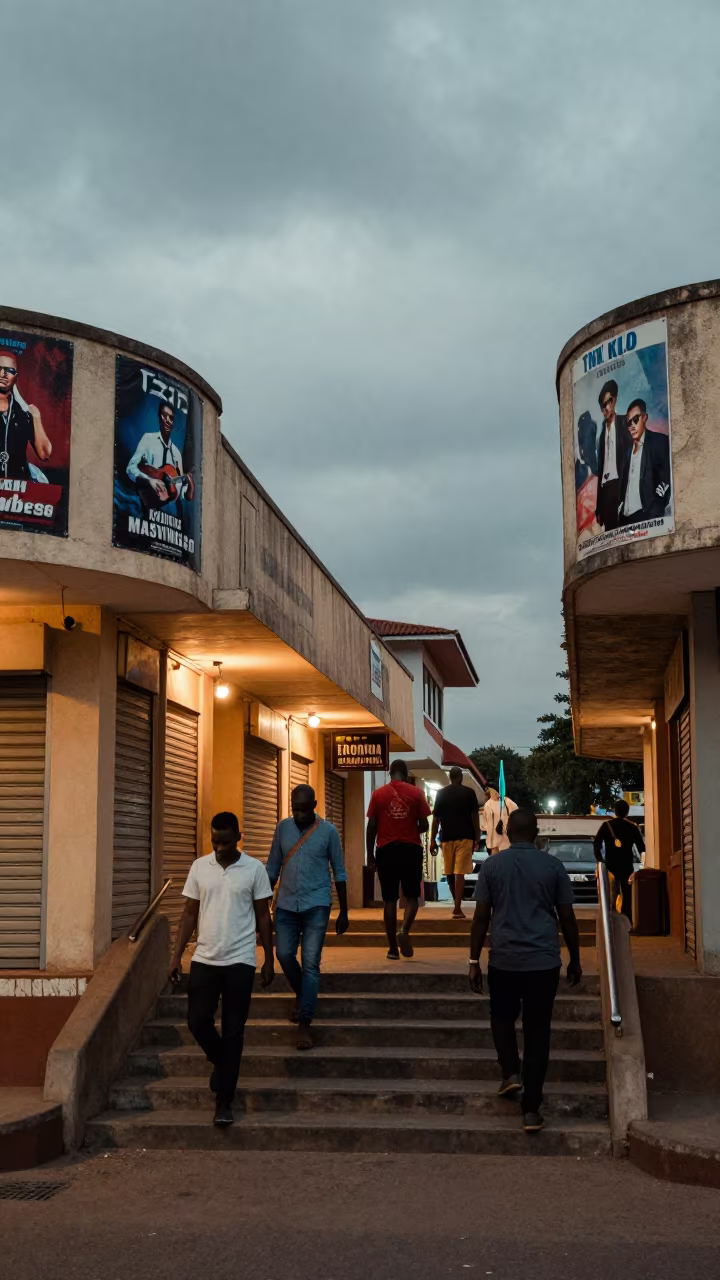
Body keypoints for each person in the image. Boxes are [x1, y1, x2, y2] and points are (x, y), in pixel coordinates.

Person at [468, 808, 582, 1134]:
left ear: (506, 831)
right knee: (537, 1032)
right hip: (544, 964)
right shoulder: (553, 866)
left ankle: (510, 1072)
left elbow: (480, 918)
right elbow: (567, 917)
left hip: (504, 961)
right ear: (536, 833)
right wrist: (575, 957)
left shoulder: (492, 866)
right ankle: (531, 1110)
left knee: (501, 1017)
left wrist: (474, 961)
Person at [169, 811, 274, 1128]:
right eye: (215, 841)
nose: (219, 847)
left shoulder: (254, 870)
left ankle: (224, 1102)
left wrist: (269, 958)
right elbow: (189, 914)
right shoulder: (200, 867)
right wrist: (176, 956)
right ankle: (222, 1063)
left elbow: (264, 917)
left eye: (226, 842)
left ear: (238, 837)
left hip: (240, 961)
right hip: (204, 959)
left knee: (233, 1032)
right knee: (197, 1021)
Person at [267, 784, 349, 1050]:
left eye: (304, 809)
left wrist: (344, 911)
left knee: (311, 962)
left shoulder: (328, 832)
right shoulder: (282, 828)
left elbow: (339, 871)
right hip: (287, 904)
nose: (299, 814)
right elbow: (272, 867)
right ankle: (304, 995)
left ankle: (305, 1022)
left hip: (317, 904)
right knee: (284, 954)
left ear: (314, 805)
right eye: (295, 809)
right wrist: (262, 903)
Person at [367, 759, 431, 960]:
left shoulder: (378, 795)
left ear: (390, 773)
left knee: (389, 900)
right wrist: (411, 827)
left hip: (386, 850)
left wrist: (371, 855)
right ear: (405, 773)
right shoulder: (417, 794)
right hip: (411, 849)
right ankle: (404, 930)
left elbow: (371, 827)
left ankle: (392, 949)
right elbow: (425, 825)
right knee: (412, 898)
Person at [429, 765, 481, 918]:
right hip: (465, 837)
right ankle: (457, 907)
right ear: (461, 778)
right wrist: (477, 836)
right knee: (460, 873)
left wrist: (432, 840)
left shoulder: (441, 794)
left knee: (450, 872)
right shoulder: (469, 793)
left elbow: (436, 819)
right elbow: (475, 817)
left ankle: (456, 903)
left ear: (450, 778)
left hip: (446, 838)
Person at [126, 401, 195, 509]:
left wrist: (189, 489)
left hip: (166, 513)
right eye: (164, 416)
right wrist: (150, 481)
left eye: (171, 418)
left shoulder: (176, 454)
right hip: (144, 508)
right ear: (159, 418)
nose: (168, 421)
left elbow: (180, 490)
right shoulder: (148, 439)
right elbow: (131, 468)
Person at [0, 345, 52, 482]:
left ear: (15, 377)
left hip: (19, 492)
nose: (3, 374)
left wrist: (36, 417)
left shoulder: (23, 413)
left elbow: (44, 454)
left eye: (9, 370)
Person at [619, 398, 671, 525]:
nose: (631, 426)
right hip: (625, 520)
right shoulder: (626, 452)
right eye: (628, 422)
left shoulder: (659, 442)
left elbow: (667, 478)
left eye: (635, 419)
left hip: (645, 518)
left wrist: (655, 511)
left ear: (644, 418)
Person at [593, 799, 645, 921]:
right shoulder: (632, 827)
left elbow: (597, 844)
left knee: (611, 894)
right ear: (627, 812)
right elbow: (642, 848)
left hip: (611, 865)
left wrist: (600, 860)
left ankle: (610, 919)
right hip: (627, 865)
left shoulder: (607, 826)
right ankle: (627, 919)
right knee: (627, 894)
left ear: (615, 811)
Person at [595, 379, 630, 532]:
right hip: (606, 489)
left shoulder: (624, 424)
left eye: (607, 403)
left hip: (620, 486)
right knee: (610, 535)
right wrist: (598, 507)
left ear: (614, 400)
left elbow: (630, 458)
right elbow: (600, 468)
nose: (605, 409)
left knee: (625, 533)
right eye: (602, 406)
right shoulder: (602, 433)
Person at [481, 785, 517, 854]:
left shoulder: (506, 802)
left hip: (502, 843)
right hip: (499, 844)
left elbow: (483, 826)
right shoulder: (488, 805)